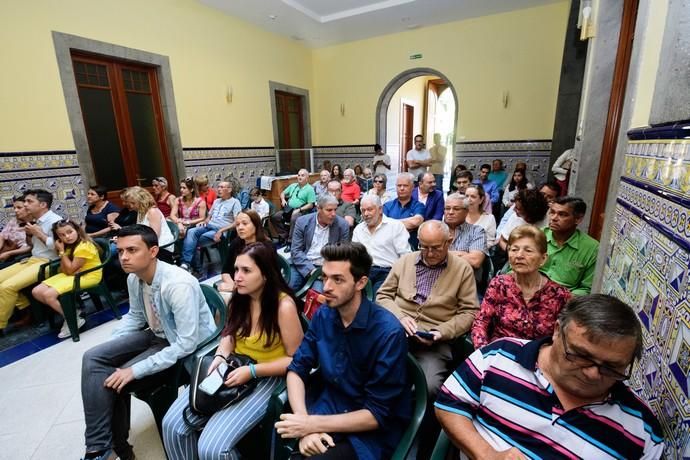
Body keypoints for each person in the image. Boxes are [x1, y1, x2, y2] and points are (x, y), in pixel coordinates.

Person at [436, 294, 664, 460]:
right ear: (557, 331)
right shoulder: (501, 355)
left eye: (612, 367)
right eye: (581, 356)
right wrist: (486, 453)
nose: (593, 374)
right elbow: (449, 403)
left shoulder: (642, 431)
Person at [80, 224, 216, 460]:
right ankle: (99, 448)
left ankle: (115, 448)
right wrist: (115, 346)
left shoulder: (177, 285)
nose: (124, 257)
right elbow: (135, 316)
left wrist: (134, 369)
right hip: (158, 334)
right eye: (120, 251)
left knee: (115, 377)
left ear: (153, 251)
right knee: (93, 357)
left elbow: (186, 344)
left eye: (132, 250)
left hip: (187, 348)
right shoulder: (135, 278)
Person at [163, 243, 303, 460]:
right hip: (235, 365)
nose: (237, 277)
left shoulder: (282, 307)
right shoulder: (239, 298)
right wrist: (220, 355)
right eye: (236, 269)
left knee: (212, 448)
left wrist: (252, 371)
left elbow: (296, 359)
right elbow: (229, 334)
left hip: (266, 375)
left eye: (246, 271)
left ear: (266, 274)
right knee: (171, 426)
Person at [275, 242, 411, 460]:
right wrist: (303, 422)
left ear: (361, 283)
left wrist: (309, 424)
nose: (326, 287)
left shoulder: (388, 333)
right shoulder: (324, 315)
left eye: (337, 279)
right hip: (327, 407)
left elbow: (375, 414)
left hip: (367, 432)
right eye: (324, 277)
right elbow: (297, 368)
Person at [376, 220, 479, 457]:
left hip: (435, 341)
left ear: (449, 242)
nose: (430, 253)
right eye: (424, 247)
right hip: (396, 334)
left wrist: (443, 331)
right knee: (373, 371)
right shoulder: (405, 262)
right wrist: (400, 317)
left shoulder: (462, 269)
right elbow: (383, 296)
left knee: (431, 386)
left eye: (436, 248)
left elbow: (469, 312)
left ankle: (424, 438)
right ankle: (383, 428)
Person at [471, 224, 571, 348]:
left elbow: (563, 337)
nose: (519, 255)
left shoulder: (559, 295)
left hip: (537, 359)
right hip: (499, 353)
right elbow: (481, 322)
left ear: (543, 259)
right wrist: (483, 351)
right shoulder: (499, 285)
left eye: (528, 251)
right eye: (514, 249)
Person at [0, 189, 62, 333]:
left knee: (7, 287)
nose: (26, 205)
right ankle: (26, 309)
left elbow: (61, 248)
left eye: (29, 201)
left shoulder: (55, 221)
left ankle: (1, 325)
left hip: (49, 262)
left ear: (43, 205)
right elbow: (33, 246)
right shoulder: (35, 221)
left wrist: (38, 234)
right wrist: (29, 235)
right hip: (34, 259)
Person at [32, 219, 103, 339]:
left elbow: (69, 270)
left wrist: (61, 252)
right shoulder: (70, 247)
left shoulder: (83, 246)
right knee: (37, 291)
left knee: (49, 295)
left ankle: (72, 318)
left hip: (88, 276)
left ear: (77, 230)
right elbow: (65, 270)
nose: (67, 237)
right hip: (74, 275)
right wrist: (66, 259)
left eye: (70, 232)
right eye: (62, 235)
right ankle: (72, 314)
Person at [289, 194, 349, 291]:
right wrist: (311, 270)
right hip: (301, 263)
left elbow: (342, 255)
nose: (333, 214)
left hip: (324, 268)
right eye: (329, 210)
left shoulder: (342, 225)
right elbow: (296, 251)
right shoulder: (302, 221)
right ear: (318, 209)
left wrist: (323, 272)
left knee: (318, 295)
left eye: (335, 209)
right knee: (288, 288)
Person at [352, 195, 410, 294]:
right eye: (363, 210)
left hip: (387, 272)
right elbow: (353, 256)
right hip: (363, 273)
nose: (366, 214)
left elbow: (405, 256)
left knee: (378, 299)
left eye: (370, 209)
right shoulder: (358, 229)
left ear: (380, 209)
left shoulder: (395, 226)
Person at [542, 197, 599, 296]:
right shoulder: (536, 235)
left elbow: (586, 288)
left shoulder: (592, 248)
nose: (554, 218)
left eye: (562, 214)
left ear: (578, 219)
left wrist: (561, 300)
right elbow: (515, 268)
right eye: (552, 212)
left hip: (564, 302)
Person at [180, 181, 241, 272]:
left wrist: (221, 231)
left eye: (221, 187)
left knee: (191, 241)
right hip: (208, 226)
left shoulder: (235, 202)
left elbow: (237, 222)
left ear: (229, 189)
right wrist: (203, 222)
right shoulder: (216, 201)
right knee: (190, 232)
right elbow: (209, 217)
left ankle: (191, 266)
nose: (218, 189)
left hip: (220, 229)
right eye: (218, 187)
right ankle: (187, 264)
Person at [217, 210, 274, 295]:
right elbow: (225, 271)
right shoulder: (235, 243)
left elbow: (266, 279)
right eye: (237, 224)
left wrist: (235, 288)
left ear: (256, 225)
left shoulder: (267, 247)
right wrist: (232, 285)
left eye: (245, 223)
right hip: (237, 286)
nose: (240, 227)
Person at [113, 186, 175, 263]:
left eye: (133, 203)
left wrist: (131, 242)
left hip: (160, 249)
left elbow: (154, 236)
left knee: (122, 262)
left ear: (142, 201)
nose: (131, 206)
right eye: (130, 203)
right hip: (147, 245)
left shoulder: (152, 212)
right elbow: (140, 232)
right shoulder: (141, 212)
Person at [270, 169, 316, 248]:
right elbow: (282, 193)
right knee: (275, 217)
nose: (300, 177)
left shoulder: (310, 189)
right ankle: (284, 236)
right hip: (288, 209)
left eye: (302, 175)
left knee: (294, 218)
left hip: (301, 211)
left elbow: (311, 205)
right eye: (298, 175)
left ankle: (290, 242)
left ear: (307, 178)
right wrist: (283, 199)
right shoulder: (293, 186)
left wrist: (299, 209)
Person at [383, 173, 425, 250]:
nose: (402, 188)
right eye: (399, 185)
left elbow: (415, 222)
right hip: (389, 248)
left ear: (412, 187)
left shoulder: (419, 206)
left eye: (405, 185)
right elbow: (382, 225)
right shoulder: (387, 206)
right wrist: (407, 224)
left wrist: (389, 223)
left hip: (411, 248)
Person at [443, 194, 486, 270]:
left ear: (466, 211)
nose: (450, 212)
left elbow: (475, 261)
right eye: (447, 208)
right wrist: (462, 254)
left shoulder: (476, 231)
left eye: (456, 209)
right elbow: (427, 256)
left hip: (464, 277)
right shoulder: (435, 229)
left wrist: (443, 254)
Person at [0, 196, 31, 268]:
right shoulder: (14, 221)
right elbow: (2, 235)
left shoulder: (34, 225)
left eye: (19, 208)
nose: (15, 210)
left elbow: (29, 247)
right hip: (5, 247)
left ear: (29, 209)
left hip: (16, 255)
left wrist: (9, 253)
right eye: (14, 208)